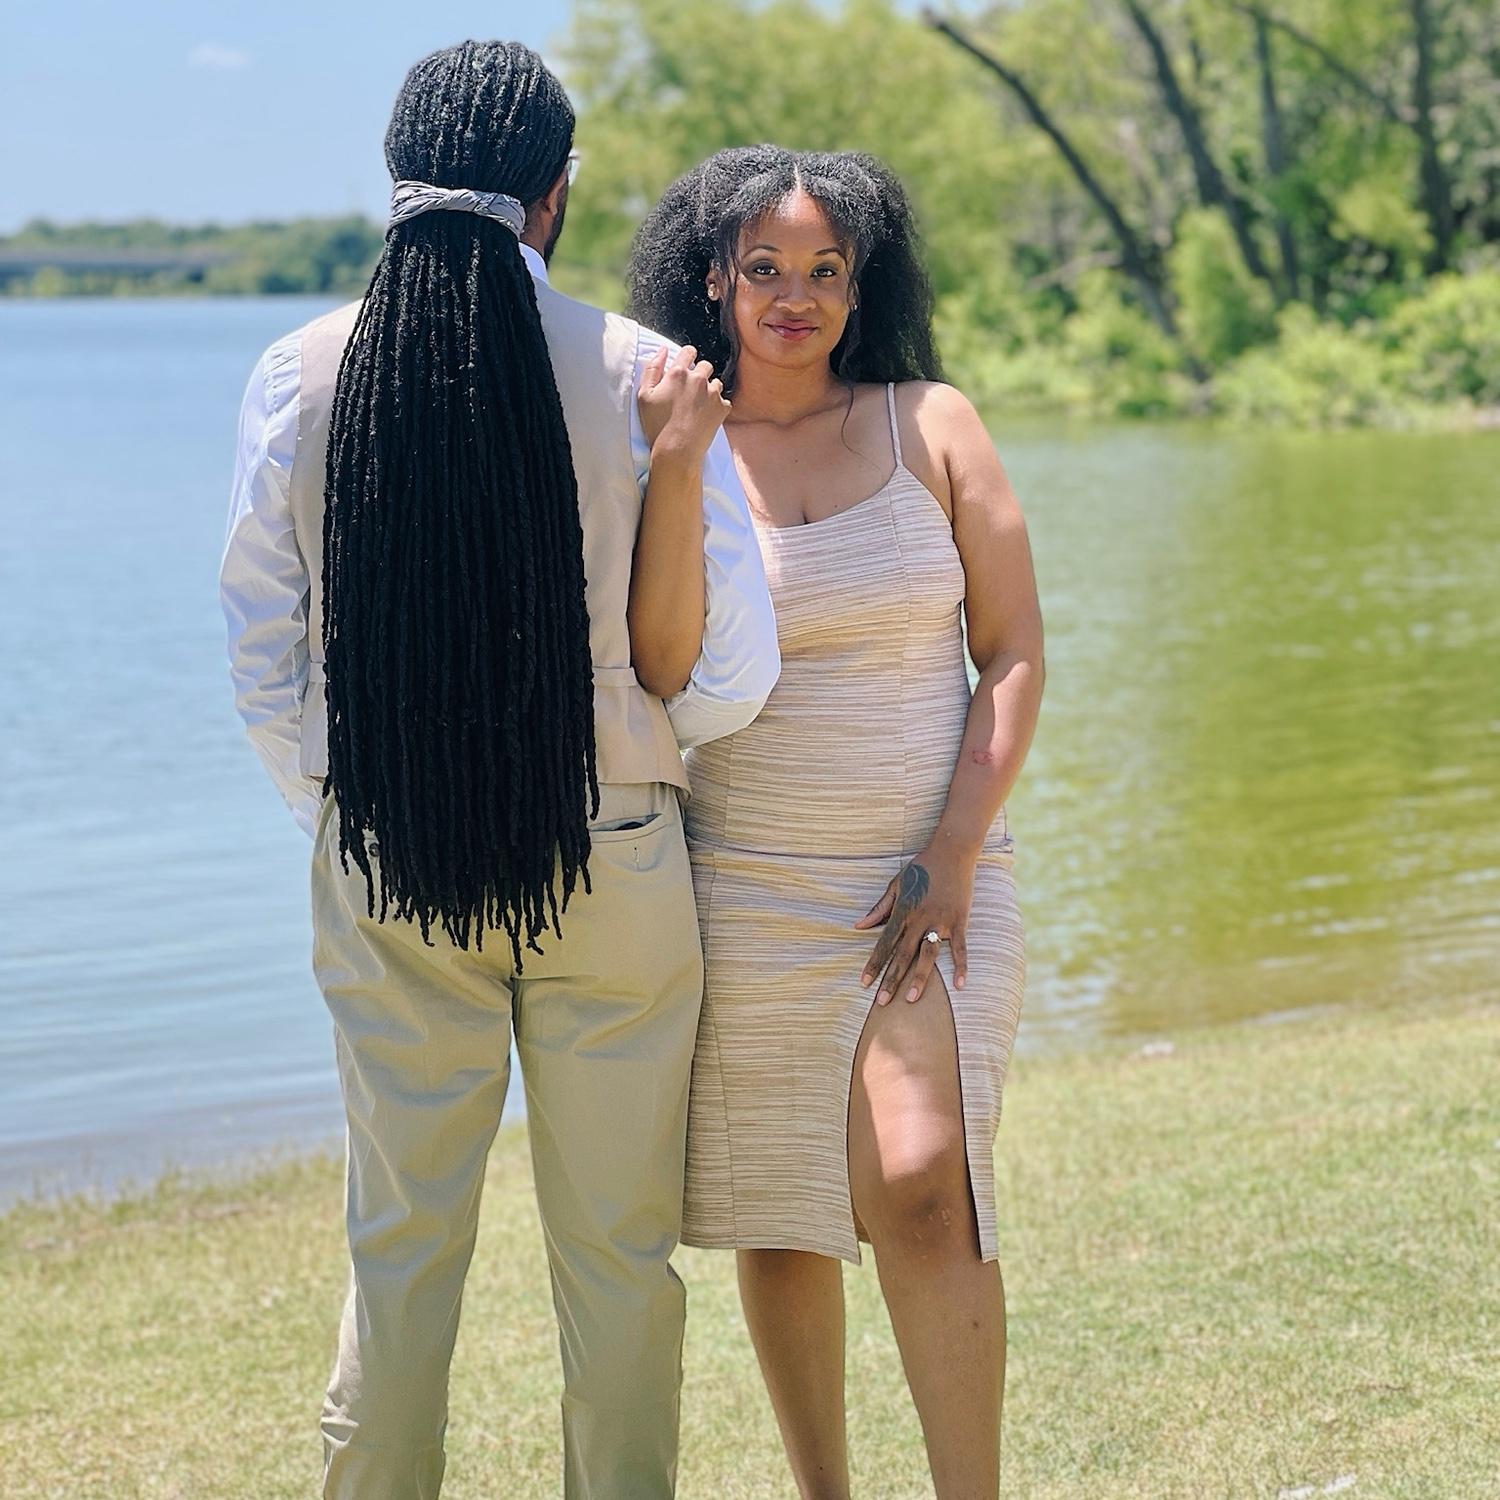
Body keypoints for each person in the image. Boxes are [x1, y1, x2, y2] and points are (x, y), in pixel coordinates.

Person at [219, 43, 778, 1500]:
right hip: (614, 855)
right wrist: (631, 754)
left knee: (398, 1251)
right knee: (618, 1259)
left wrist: (351, 812)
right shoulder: (652, 375)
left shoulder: (297, 373)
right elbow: (727, 675)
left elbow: (264, 658)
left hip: (388, 857)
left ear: (396, 184)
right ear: (554, 194)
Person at [627, 146, 1043, 1499]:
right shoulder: (672, 445)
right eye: (764, 269)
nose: (793, 297)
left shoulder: (933, 423)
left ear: (862, 286)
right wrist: (676, 463)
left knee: (924, 1180)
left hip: (926, 875)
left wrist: (954, 849)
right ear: (713, 280)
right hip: (741, 888)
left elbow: (1014, 651)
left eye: (824, 270)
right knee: (785, 1215)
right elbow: (662, 662)